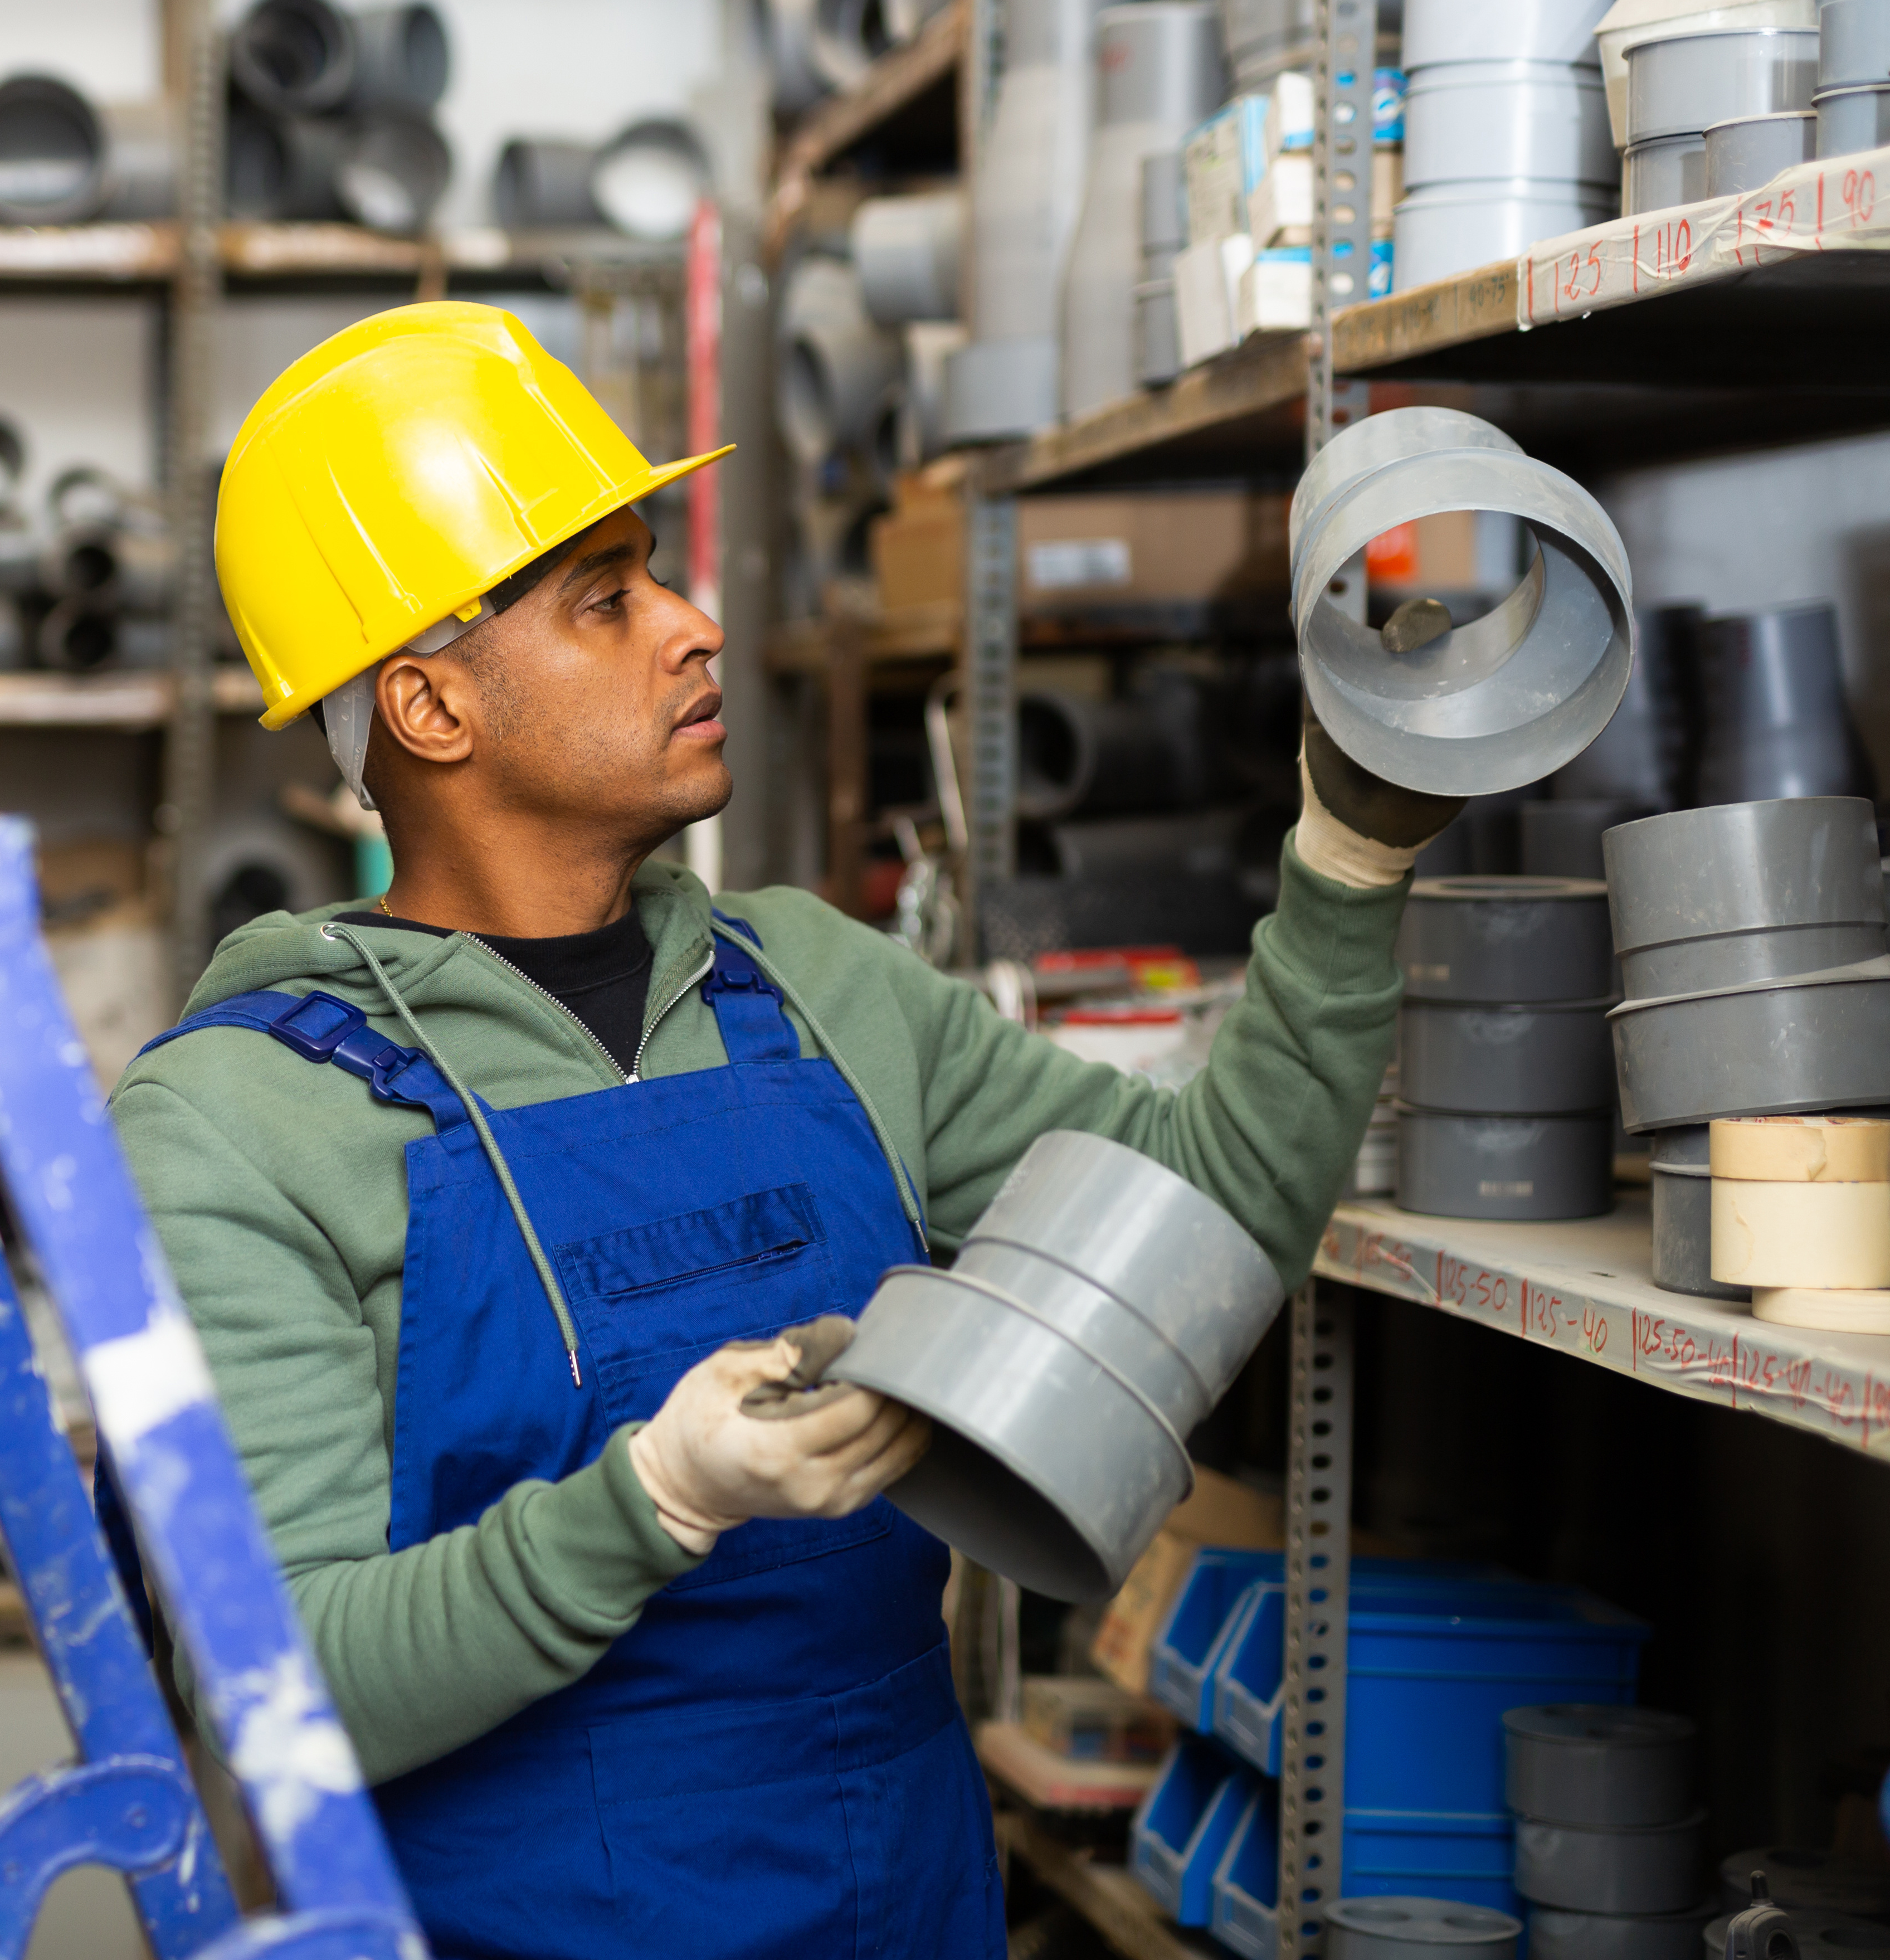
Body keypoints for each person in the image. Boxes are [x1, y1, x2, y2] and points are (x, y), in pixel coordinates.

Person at [111, 303, 1455, 1959]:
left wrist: (1350, 862)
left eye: (659, 576)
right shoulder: (240, 1121)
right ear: (431, 710)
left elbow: (1214, 1218)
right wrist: (658, 1497)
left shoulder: (817, 984)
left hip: (909, 1906)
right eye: (606, 599)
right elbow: (284, 1694)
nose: (695, 629)